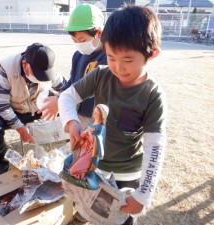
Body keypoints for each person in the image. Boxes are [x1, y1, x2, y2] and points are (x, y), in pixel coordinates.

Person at [58, 5, 167, 225]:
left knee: (120, 219)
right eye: (110, 56)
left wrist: (142, 196)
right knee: (88, 209)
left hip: (126, 177)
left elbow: (154, 148)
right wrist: (72, 124)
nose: (118, 67)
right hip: (95, 168)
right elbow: (66, 97)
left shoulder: (152, 95)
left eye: (127, 60)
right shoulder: (100, 75)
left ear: (151, 54)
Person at [0, 42, 65, 177]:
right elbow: (1, 105)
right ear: (25, 65)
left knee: (72, 109)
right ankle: (3, 164)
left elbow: (66, 89)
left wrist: (57, 100)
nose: (40, 79)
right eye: (38, 75)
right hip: (13, 110)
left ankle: (67, 154)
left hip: (38, 109)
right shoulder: (7, 68)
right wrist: (20, 129)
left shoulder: (47, 67)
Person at [38, 3, 107, 128]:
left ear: (99, 33)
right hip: (80, 113)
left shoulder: (108, 58)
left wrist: (60, 100)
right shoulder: (78, 55)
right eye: (74, 41)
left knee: (95, 146)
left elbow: (92, 88)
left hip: (99, 118)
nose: (79, 45)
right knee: (78, 144)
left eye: (82, 40)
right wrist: (60, 96)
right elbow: (73, 81)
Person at [61, 104, 108, 190]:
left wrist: (89, 134)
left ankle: (82, 177)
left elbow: (97, 141)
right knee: (67, 162)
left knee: (72, 170)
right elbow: (82, 135)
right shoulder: (91, 123)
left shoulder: (101, 128)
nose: (95, 114)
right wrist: (86, 131)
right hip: (83, 149)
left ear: (102, 115)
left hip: (90, 152)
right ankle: (79, 175)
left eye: (98, 113)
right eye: (95, 112)